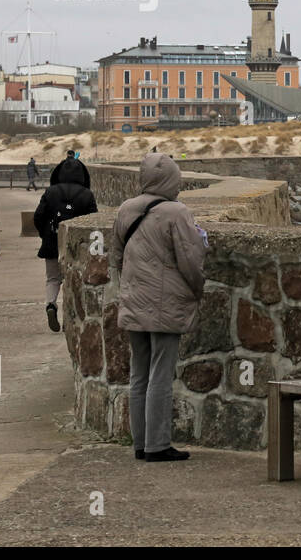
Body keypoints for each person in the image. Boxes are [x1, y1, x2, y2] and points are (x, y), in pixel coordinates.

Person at [111, 154, 206, 462]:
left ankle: (140, 443)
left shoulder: (126, 208)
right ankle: (158, 445)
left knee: (139, 374)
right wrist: (197, 290)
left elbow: (115, 258)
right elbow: (191, 261)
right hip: (165, 306)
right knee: (160, 376)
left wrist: (124, 293)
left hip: (134, 302)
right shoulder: (176, 212)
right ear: (171, 181)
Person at [33, 158, 97, 332]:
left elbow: (38, 216)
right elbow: (93, 222)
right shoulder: (86, 194)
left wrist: (44, 235)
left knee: (53, 278)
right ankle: (72, 316)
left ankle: (51, 305)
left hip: (52, 243)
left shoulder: (50, 192)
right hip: (77, 247)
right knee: (75, 280)